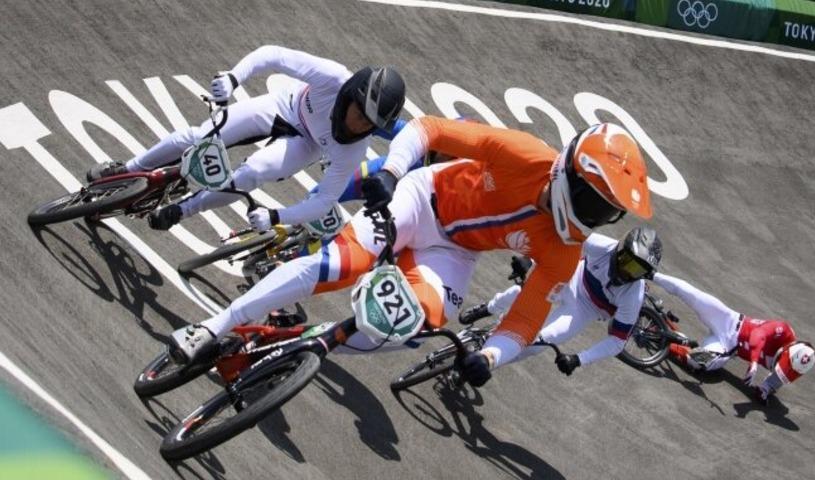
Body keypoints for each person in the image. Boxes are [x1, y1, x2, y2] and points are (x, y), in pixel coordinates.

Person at [166, 118, 653, 376]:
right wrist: (391, 172)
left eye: (608, 213)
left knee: (411, 329)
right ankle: (215, 325)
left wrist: (489, 359)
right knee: (339, 264)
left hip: (453, 253)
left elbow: (523, 323)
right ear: (568, 172)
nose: (595, 220)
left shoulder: (568, 250)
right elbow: (430, 130)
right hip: (420, 199)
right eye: (595, 203)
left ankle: (298, 342)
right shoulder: (524, 151)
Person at [87, 45, 406, 232]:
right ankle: (126, 168)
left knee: (251, 174)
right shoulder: (334, 77)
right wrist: (233, 77)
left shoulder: (353, 150)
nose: (359, 125)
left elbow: (324, 201)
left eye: (370, 124)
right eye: (360, 112)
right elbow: (272, 55)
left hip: (306, 145)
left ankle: (184, 210)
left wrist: (276, 217)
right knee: (199, 136)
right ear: (351, 93)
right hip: (285, 108)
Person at [459, 227, 662, 383]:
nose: (627, 272)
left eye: (636, 271)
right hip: (572, 277)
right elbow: (561, 237)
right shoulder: (602, 245)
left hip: (585, 309)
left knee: (537, 343)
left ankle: (487, 361)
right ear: (619, 249)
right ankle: (490, 307)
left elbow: (617, 342)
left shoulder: (633, 295)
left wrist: (579, 359)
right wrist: (529, 259)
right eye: (628, 262)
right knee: (525, 291)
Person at [651, 272, 815, 405]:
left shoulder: (791, 369)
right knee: (692, 295)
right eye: (783, 362)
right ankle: (650, 273)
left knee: (698, 361)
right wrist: (753, 362)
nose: (781, 366)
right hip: (729, 320)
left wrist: (764, 391)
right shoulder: (784, 330)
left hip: (728, 346)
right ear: (789, 349)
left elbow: (774, 382)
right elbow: (757, 335)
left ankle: (660, 331)